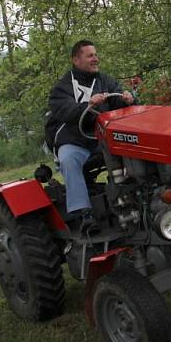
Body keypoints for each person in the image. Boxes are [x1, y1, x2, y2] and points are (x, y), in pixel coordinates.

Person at [45, 39, 134, 229]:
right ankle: (83, 213)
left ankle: (133, 196)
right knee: (69, 160)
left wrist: (127, 99)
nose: (96, 59)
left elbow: (117, 99)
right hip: (75, 141)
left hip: (103, 139)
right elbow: (66, 111)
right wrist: (87, 106)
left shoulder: (104, 80)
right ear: (76, 60)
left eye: (96, 55)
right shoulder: (62, 88)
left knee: (134, 146)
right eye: (90, 56)